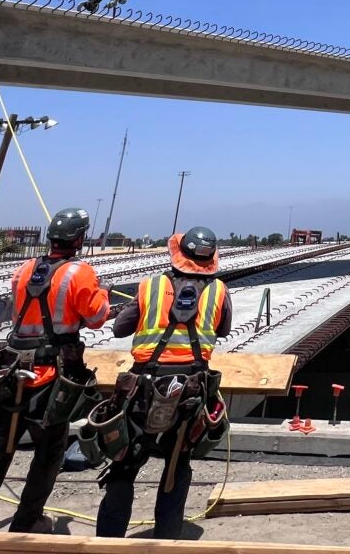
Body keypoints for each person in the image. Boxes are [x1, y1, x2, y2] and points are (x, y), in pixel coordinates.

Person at [0, 207, 109, 532]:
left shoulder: (25, 268)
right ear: (80, 238)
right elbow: (97, 316)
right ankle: (27, 521)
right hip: (51, 378)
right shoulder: (80, 273)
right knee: (50, 451)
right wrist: (102, 294)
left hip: (11, 370)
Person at [94, 225, 233, 540]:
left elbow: (119, 329)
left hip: (143, 387)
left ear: (177, 254)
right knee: (176, 464)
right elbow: (223, 329)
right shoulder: (218, 291)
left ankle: (106, 544)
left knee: (124, 463)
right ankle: (166, 538)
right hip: (191, 391)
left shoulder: (150, 286)